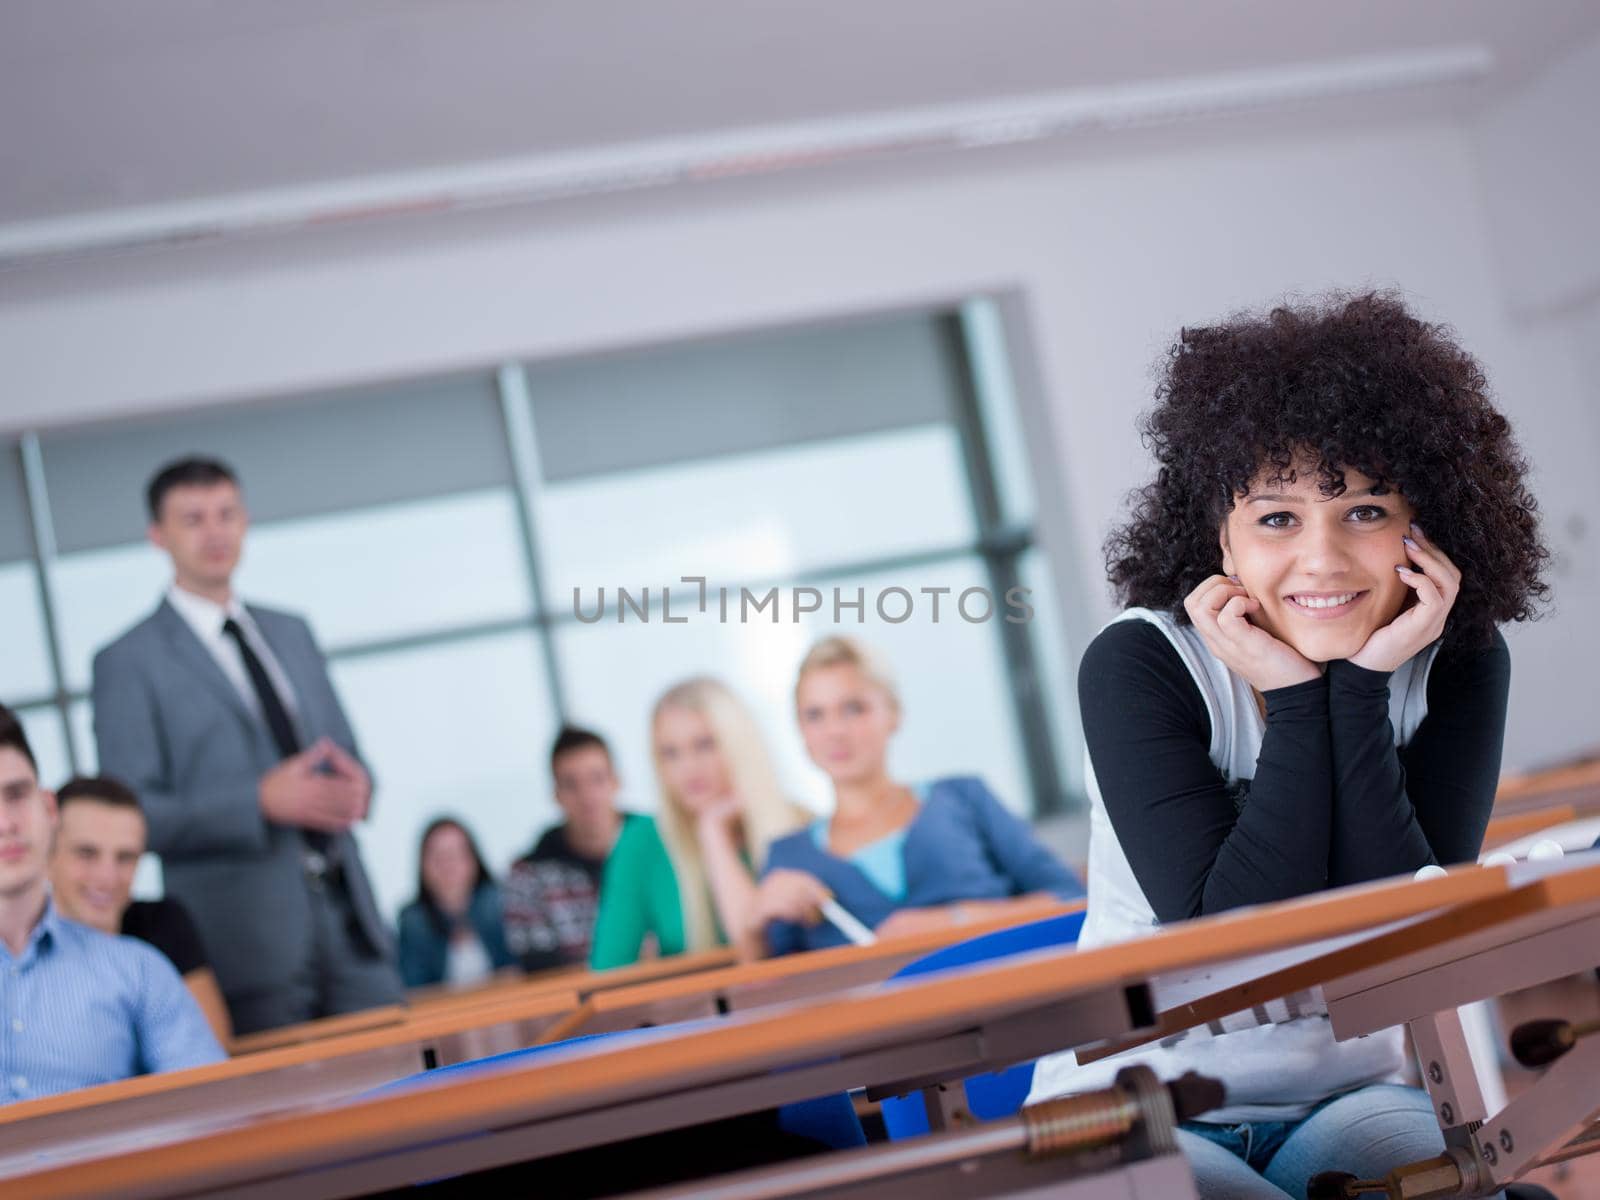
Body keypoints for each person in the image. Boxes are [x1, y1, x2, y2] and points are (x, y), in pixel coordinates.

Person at [1025, 292, 1549, 1199]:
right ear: (1216, 536)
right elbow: (1221, 937)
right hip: (1136, 1096)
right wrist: (1299, 702)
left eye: (1365, 511)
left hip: (1349, 1088)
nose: (1322, 560)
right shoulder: (1142, 664)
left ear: (1429, 524)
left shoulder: (1459, 658)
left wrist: (1355, 689)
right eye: (1276, 518)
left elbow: (1409, 926)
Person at [91, 457, 403, 1035]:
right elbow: (131, 816)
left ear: (246, 522)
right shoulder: (127, 662)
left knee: (415, 1094)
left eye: (226, 514)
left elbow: (348, 752)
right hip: (247, 942)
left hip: (352, 924)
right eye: (193, 519)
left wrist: (361, 786)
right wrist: (258, 801)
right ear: (157, 536)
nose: (215, 532)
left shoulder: (291, 631)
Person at [752, 636, 1084, 955]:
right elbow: (767, 985)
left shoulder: (964, 798)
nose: (834, 730)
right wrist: (756, 921)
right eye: (815, 715)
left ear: (894, 714)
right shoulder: (788, 859)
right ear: (801, 732)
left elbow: (1070, 897)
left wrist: (952, 921)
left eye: (853, 708)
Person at [0, 705, 223, 1103]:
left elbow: (214, 1110)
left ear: (48, 810)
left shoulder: (139, 970)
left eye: (15, 796)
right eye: (87, 854)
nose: (4, 823)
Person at [589, 678, 806, 969]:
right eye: (670, 753)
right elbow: (608, 973)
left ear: (738, 745)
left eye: (705, 745)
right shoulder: (639, 843)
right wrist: (712, 829)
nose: (688, 767)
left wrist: (715, 836)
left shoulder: (801, 824)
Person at [48, 774, 233, 1044]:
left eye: (125, 858)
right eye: (86, 854)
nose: (107, 878)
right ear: (47, 854)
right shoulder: (17, 953)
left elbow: (208, 1052)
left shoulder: (162, 924)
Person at [502, 726, 625, 972]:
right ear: (556, 794)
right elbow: (541, 972)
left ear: (616, 782)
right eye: (571, 784)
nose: (587, 795)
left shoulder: (660, 847)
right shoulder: (528, 876)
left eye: (597, 778)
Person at [396, 817, 515, 988]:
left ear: (473, 859)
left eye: (456, 854)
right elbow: (415, 990)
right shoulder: (412, 921)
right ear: (423, 865)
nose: (447, 865)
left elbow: (521, 971)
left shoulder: (500, 902)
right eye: (438, 857)